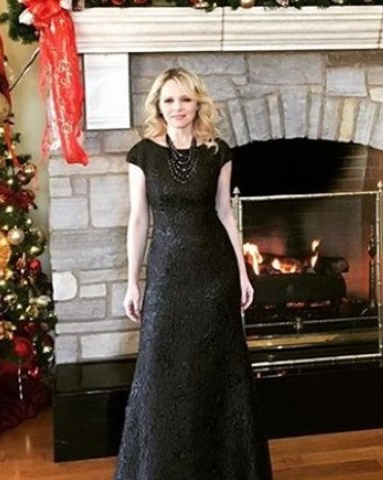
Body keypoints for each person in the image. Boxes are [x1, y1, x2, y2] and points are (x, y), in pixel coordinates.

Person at [113, 67, 273, 480]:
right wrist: (132, 282)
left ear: (197, 102)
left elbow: (225, 214)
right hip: (166, 276)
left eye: (185, 99)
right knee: (161, 371)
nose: (177, 108)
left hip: (213, 275)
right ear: (158, 106)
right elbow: (139, 221)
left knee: (216, 370)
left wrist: (242, 274)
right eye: (168, 100)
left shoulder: (218, 152)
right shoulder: (142, 154)